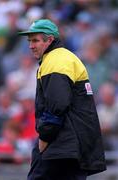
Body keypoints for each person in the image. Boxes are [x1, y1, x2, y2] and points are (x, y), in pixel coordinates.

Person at [18, 19, 106, 180]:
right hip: (75, 142)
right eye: (29, 41)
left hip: (62, 143)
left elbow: (57, 106)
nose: (31, 45)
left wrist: (44, 137)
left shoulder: (55, 61)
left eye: (35, 40)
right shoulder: (64, 57)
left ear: (50, 39)